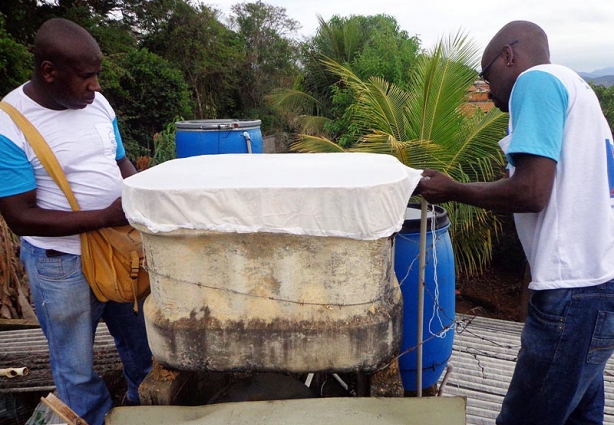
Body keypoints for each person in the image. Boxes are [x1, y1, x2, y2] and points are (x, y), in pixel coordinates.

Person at [416, 20, 614, 425]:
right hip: (598, 286)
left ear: (509, 56)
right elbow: (555, 195)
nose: (487, 90)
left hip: (573, 293)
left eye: (487, 75)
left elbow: (531, 193)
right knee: (579, 418)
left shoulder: (535, 82)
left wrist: (454, 189)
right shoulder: (579, 91)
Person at [0, 18, 152, 425]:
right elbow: (19, 216)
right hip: (60, 264)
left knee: (144, 347)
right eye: (86, 76)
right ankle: (92, 419)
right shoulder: (10, 125)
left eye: (96, 74)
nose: (96, 86)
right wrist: (104, 215)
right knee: (75, 367)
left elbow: (119, 160)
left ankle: (146, 413)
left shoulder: (97, 104)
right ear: (49, 71)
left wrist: (145, 196)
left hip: (119, 251)